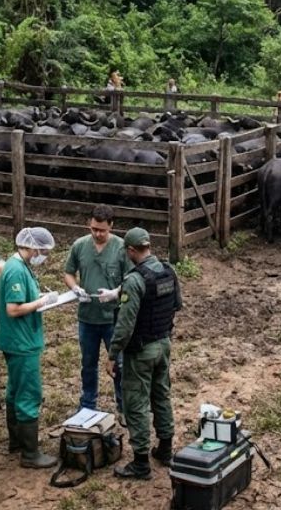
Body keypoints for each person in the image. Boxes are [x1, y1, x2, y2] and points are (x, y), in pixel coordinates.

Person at [106, 227, 182, 479]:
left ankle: (140, 463)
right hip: (164, 344)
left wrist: (112, 354)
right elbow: (177, 305)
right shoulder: (168, 271)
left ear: (131, 250)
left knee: (136, 402)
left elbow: (125, 324)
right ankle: (165, 449)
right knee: (161, 394)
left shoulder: (134, 280)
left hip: (140, 351)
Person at [0, 227, 60, 468]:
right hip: (21, 342)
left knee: (15, 390)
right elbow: (13, 309)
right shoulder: (15, 270)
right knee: (28, 393)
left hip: (18, 340)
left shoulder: (21, 266)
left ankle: (17, 442)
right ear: (33, 248)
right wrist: (42, 302)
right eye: (43, 251)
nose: (43, 256)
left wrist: (41, 298)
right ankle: (30, 454)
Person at [63, 205, 128, 412]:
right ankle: (88, 404)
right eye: (94, 229)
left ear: (111, 226)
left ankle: (123, 404)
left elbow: (132, 279)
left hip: (113, 318)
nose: (98, 234)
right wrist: (75, 288)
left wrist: (116, 292)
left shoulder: (121, 248)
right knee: (88, 363)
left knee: (119, 364)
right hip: (88, 317)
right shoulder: (80, 245)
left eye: (102, 230)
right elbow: (68, 272)